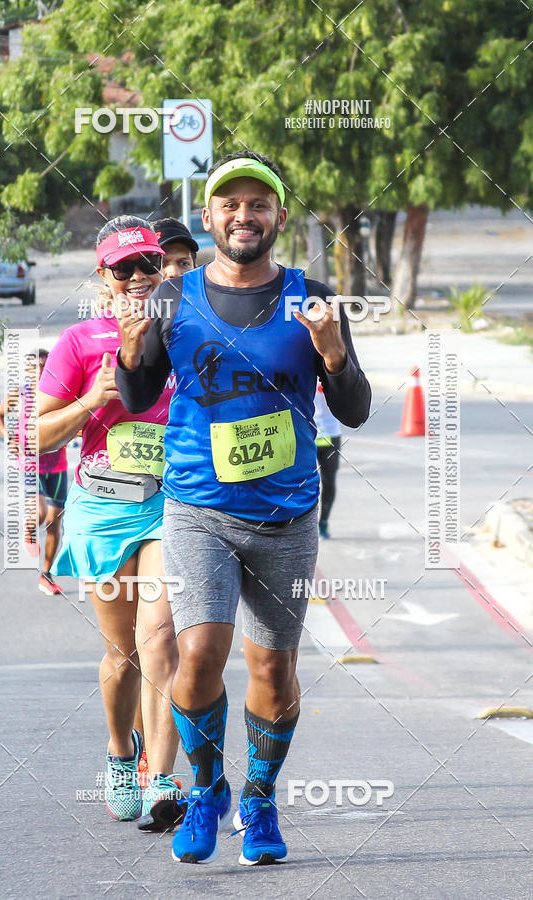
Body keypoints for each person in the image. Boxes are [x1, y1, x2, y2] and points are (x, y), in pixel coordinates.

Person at [115, 151, 371, 866]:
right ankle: (205, 791)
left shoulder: (312, 299)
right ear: (209, 217)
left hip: (286, 514)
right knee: (196, 655)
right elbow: (138, 399)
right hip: (198, 508)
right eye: (231, 203)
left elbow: (353, 412)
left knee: (273, 669)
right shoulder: (173, 299)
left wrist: (333, 356)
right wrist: (130, 356)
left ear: (279, 218)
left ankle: (257, 801)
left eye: (260, 204)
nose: (244, 215)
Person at [36, 216, 183, 832]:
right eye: (125, 268)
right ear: (104, 274)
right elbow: (34, 435)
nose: (139, 278)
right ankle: (121, 756)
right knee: (121, 653)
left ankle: (161, 778)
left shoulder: (187, 332)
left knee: (161, 642)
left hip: (172, 506)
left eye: (149, 264)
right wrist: (93, 400)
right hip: (101, 509)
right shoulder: (78, 341)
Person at [0, 349, 68, 595]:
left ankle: (46, 575)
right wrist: (9, 439)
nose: (39, 371)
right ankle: (28, 530)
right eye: (34, 367)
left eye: (44, 366)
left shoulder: (60, 392)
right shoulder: (22, 392)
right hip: (30, 463)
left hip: (57, 465)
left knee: (54, 523)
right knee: (39, 512)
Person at [314, 383, 342, 539]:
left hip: (330, 433)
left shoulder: (333, 366)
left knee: (328, 480)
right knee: (302, 481)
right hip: (307, 432)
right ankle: (302, 523)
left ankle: (323, 522)